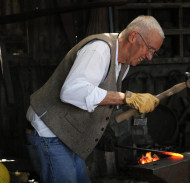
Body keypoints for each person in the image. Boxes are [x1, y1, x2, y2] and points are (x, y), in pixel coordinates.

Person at [25, 15, 165, 183]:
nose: (150, 57)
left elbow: (96, 95)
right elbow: (71, 91)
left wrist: (103, 128)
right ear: (134, 36)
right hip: (49, 132)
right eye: (149, 49)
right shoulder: (99, 50)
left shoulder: (123, 63)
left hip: (68, 136)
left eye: (153, 53)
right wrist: (125, 98)